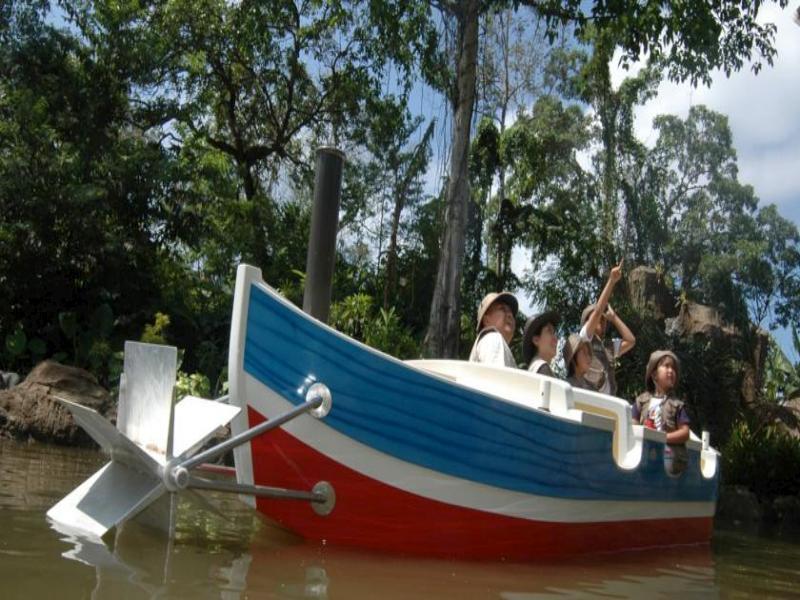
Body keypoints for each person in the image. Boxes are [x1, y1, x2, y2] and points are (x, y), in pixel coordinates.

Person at [579, 262, 636, 396]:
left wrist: (614, 317)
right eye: (594, 317)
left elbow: (631, 340)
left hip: (608, 403)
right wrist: (611, 281)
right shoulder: (584, 338)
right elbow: (599, 311)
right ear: (587, 322)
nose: (601, 320)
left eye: (603, 320)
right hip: (589, 399)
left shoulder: (609, 347)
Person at [632, 350, 691, 475]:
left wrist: (662, 438)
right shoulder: (641, 401)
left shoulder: (677, 405)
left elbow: (685, 433)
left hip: (668, 455)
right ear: (654, 375)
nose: (671, 371)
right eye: (666, 366)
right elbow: (633, 427)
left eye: (673, 368)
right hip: (645, 453)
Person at [468, 291, 518, 368]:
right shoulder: (492, 338)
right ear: (486, 320)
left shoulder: (490, 342)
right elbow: (497, 377)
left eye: (510, 311)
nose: (510, 315)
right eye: (502, 309)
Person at [522, 311, 560, 376]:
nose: (555, 339)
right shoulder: (542, 368)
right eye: (549, 331)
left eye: (554, 333)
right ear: (536, 340)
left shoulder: (535, 368)